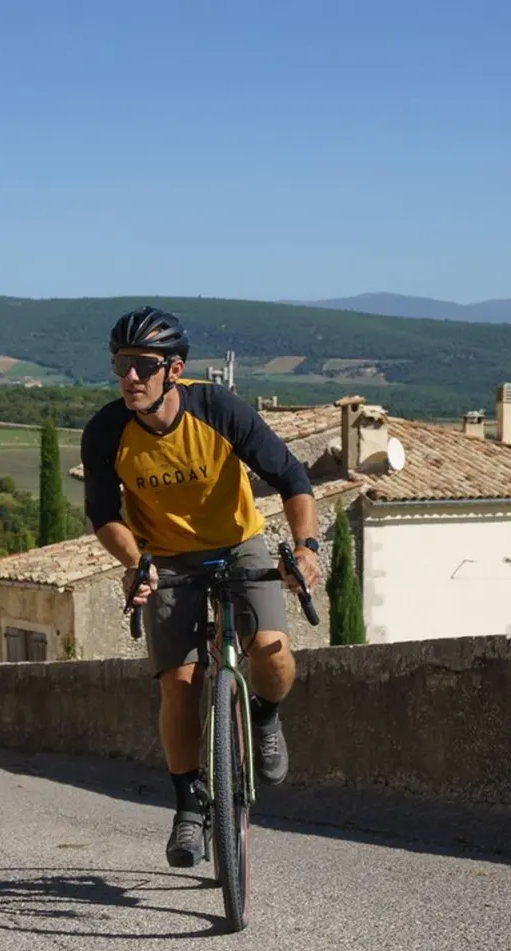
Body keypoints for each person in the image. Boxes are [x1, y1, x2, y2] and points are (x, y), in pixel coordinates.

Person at [79, 306, 323, 868]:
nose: (130, 377)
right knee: (179, 682)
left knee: (273, 651)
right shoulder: (106, 431)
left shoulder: (216, 409)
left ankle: (264, 715)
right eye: (122, 364)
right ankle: (189, 806)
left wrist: (306, 550)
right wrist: (136, 561)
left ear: (174, 369)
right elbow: (102, 513)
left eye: (143, 365)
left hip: (238, 542)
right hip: (165, 557)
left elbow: (292, 478)